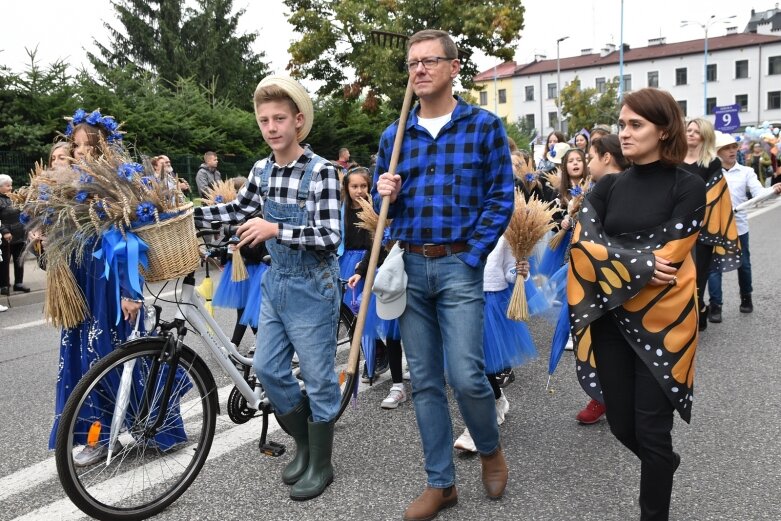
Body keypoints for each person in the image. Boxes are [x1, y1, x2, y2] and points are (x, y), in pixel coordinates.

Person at [374, 29, 514, 520]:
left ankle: (490, 449)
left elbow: (501, 196)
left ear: (454, 68)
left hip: (459, 265)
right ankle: (442, 484)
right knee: (427, 381)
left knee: (466, 375)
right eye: (412, 63)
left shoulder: (483, 127)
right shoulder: (394, 136)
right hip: (411, 266)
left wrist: (473, 255)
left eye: (430, 60)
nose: (419, 69)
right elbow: (382, 212)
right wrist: (382, 192)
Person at [194, 75, 341, 501]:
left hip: (314, 286)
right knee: (268, 369)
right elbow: (238, 209)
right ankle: (304, 446)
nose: (271, 127)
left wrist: (276, 227)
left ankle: (322, 463)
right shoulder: (261, 169)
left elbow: (330, 235)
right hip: (277, 283)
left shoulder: (322, 173)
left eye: (279, 118)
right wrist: (186, 217)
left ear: (298, 121)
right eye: (264, 120)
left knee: (317, 378)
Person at [570, 88, 705, 520]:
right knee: (623, 426)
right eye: (622, 124)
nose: (623, 133)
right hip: (611, 322)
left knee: (651, 430)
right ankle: (661, 463)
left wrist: (616, 256)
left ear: (664, 130)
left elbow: (672, 254)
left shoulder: (689, 185)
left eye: (636, 125)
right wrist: (639, 261)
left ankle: (654, 508)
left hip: (665, 326)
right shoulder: (607, 186)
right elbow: (582, 245)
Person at [46, 111, 148, 462]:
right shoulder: (70, 187)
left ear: (102, 148)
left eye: (85, 146)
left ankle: (132, 426)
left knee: (107, 355)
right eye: (75, 146)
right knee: (81, 358)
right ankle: (94, 433)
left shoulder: (116, 184)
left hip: (109, 284)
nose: (78, 153)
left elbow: (127, 241)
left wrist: (130, 293)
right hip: (80, 285)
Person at [453, 243, 536, 452]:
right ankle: (498, 399)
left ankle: (476, 428)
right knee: (472, 364)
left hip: (491, 301)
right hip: (459, 298)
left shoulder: (502, 232)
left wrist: (520, 272)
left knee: (481, 364)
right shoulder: (458, 222)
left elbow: (508, 271)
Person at [574, 133, 630, 425]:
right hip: (604, 277)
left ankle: (609, 396)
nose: (588, 163)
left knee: (609, 340)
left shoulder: (621, 186)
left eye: (591, 157)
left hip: (614, 278)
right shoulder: (598, 188)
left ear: (607, 157)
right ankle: (605, 395)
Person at [707, 132, 781, 321]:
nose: (732, 151)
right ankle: (716, 306)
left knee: (744, 265)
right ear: (717, 151)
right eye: (726, 148)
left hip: (739, 226)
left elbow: (758, 193)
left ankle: (746, 297)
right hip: (716, 228)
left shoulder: (746, 172)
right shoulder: (710, 172)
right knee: (714, 267)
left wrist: (773, 191)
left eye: (734, 147)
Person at [680, 118, 737, 332]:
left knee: (699, 274)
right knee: (679, 272)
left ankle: (699, 309)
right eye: (689, 130)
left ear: (705, 136)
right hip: (677, 227)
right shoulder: (674, 159)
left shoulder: (711, 162)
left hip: (704, 228)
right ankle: (684, 314)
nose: (691, 133)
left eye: (696, 131)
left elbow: (717, 197)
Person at [0, 175, 30, 295]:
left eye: (11, 185)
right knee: (4, 261)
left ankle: (18, 283)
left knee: (19, 259)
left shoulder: (14, 197)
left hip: (19, 234)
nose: (10, 188)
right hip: (5, 236)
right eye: (7, 186)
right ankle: (3, 285)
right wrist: (5, 231)